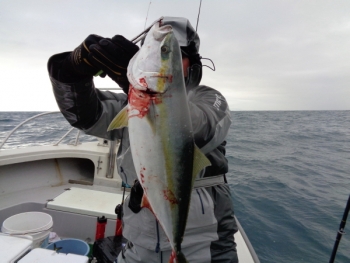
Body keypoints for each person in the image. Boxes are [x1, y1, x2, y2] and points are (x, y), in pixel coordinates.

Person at [48, 16, 238, 263]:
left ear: (192, 64)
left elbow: (201, 128)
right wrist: (70, 73)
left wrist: (151, 100)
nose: (161, 61)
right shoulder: (132, 106)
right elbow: (85, 115)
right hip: (138, 248)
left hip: (209, 251)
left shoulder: (210, 100)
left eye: (172, 54)